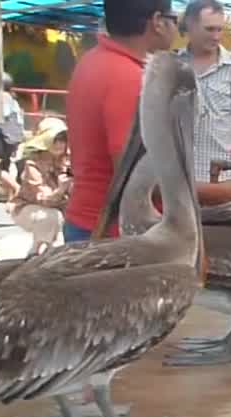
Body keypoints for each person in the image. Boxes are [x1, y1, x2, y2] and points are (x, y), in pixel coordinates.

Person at [63, 0, 177, 243]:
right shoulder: (130, 78)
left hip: (87, 221)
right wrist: (215, 191)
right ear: (157, 22)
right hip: (113, 234)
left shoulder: (93, 60)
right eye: (174, 19)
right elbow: (134, 178)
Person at [179, 0, 231, 205]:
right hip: (182, 177)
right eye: (209, 29)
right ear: (190, 25)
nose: (216, 36)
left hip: (225, 178)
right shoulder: (175, 66)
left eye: (219, 29)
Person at [10, 117, 71, 257]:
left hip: (62, 210)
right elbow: (43, 199)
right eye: (54, 139)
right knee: (50, 216)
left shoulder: (69, 162)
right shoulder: (33, 164)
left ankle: (39, 249)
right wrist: (61, 189)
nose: (59, 144)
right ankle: (42, 251)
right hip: (27, 209)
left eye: (62, 139)